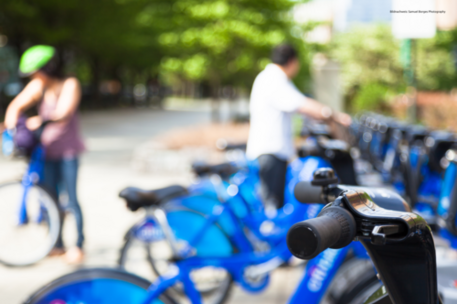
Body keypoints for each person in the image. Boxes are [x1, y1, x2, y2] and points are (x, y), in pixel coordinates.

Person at [4, 45, 86, 264]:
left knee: (71, 199)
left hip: (68, 151)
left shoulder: (69, 84)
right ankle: (57, 244)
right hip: (46, 151)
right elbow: (16, 105)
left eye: (36, 71)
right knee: (50, 198)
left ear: (47, 68)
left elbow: (64, 113)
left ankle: (78, 245)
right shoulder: (39, 86)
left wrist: (37, 121)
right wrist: (12, 126)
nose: (34, 76)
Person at [246, 44, 351, 213]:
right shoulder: (274, 79)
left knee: (274, 203)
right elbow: (302, 105)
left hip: (272, 151)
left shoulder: (273, 78)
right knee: (272, 207)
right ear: (292, 62)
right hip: (271, 152)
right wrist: (335, 116)